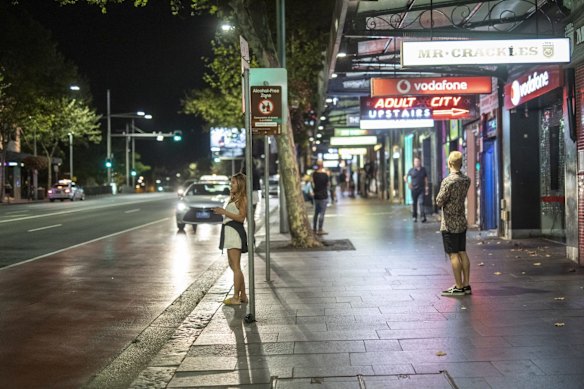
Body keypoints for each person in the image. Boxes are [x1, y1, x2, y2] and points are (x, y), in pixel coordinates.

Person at [436, 151, 472, 296]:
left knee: (453, 254)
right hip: (461, 221)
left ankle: (458, 286)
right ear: (460, 163)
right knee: (462, 251)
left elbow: (439, 201)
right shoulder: (466, 180)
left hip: (449, 223)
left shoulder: (448, 181)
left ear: (449, 163)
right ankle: (466, 285)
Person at [212, 173, 249, 305]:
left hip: (234, 233)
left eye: (233, 182)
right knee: (233, 266)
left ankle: (235, 297)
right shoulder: (234, 198)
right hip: (229, 233)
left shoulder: (242, 199)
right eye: (231, 182)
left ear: (240, 184)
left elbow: (241, 218)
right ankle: (243, 295)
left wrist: (224, 212)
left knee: (236, 266)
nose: (230, 185)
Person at [404, 157, 429, 222]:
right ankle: (414, 217)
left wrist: (426, 187)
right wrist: (408, 183)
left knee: (421, 202)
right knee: (414, 203)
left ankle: (423, 217)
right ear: (414, 162)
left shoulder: (423, 170)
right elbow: (405, 177)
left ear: (420, 162)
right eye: (415, 161)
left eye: (418, 161)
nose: (417, 162)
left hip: (422, 189)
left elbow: (425, 179)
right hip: (414, 189)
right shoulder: (411, 170)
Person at [311, 160, 330, 235]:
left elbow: (312, 184)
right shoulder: (325, 175)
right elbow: (328, 184)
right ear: (322, 165)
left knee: (316, 213)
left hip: (316, 196)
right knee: (322, 213)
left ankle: (314, 229)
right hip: (323, 195)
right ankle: (320, 229)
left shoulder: (314, 174)